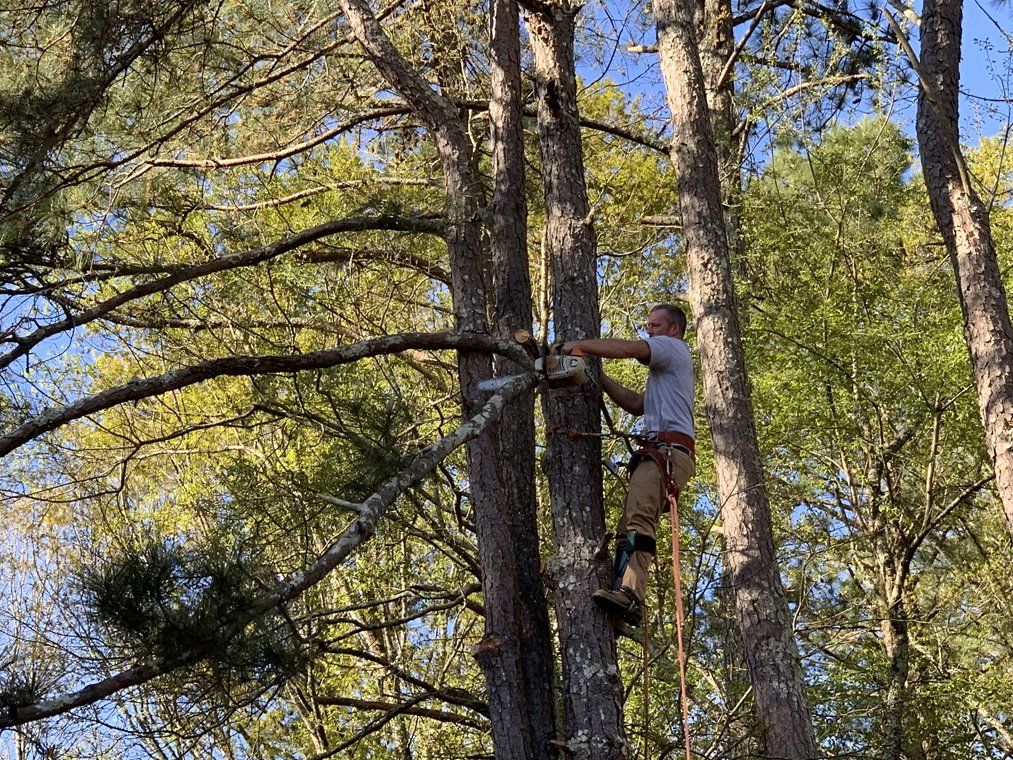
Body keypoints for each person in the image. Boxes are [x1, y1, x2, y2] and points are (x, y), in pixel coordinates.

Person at [561, 304, 695, 627]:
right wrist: (600, 378)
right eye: (648, 326)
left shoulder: (672, 347)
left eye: (655, 325)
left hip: (666, 453)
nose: (649, 331)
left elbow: (628, 348)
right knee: (629, 528)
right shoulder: (666, 375)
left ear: (673, 329)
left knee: (638, 520)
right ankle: (624, 599)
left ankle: (632, 595)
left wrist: (578, 345)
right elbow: (637, 404)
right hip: (665, 453)